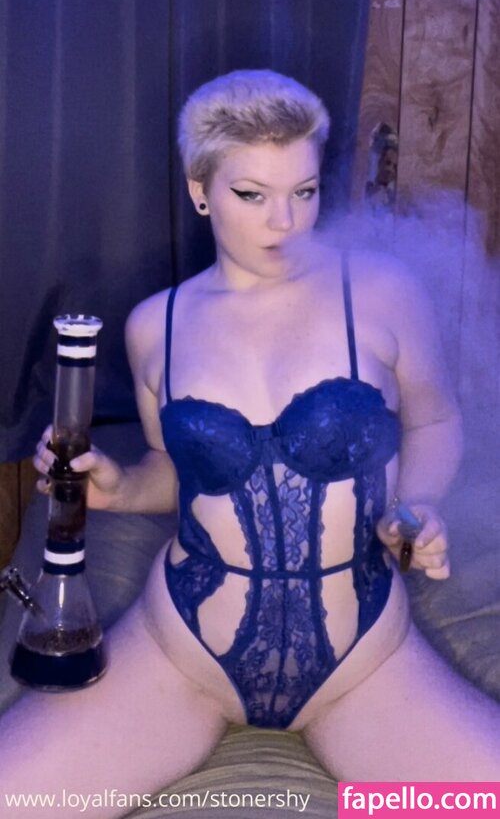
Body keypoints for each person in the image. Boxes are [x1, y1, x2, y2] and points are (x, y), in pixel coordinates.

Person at [1, 70, 499, 817]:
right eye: (252, 195)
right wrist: (120, 487)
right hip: (183, 657)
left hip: (364, 666)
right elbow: (174, 470)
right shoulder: (156, 325)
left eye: (305, 191)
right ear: (200, 190)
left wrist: (419, 505)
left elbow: (433, 420)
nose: (285, 221)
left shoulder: (382, 292)